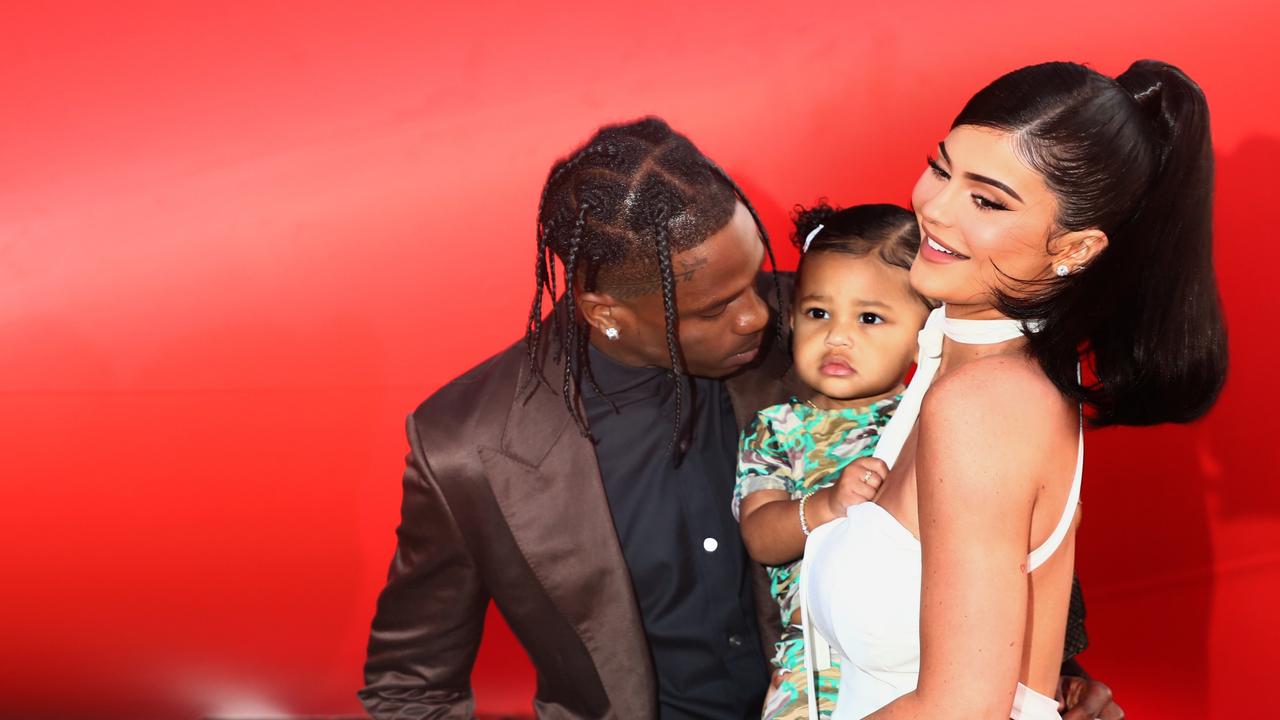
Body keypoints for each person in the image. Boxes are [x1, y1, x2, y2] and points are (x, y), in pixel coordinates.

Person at [359, 116, 1123, 719]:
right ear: (607, 313)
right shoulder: (467, 445)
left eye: (758, 275)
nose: (764, 316)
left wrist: (1048, 675)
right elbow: (410, 686)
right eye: (716, 309)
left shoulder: (838, 326)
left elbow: (984, 490)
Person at [803, 60, 1226, 720]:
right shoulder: (959, 351)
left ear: (1076, 248)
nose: (934, 209)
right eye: (941, 168)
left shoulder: (983, 405)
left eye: (987, 200)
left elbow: (961, 709)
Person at [733, 203, 933, 720]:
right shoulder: (777, 428)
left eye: (869, 318)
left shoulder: (931, 418)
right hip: (817, 668)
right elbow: (760, 535)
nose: (838, 336)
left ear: (924, 334)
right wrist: (827, 505)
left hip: (930, 655)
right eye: (818, 313)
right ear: (794, 317)